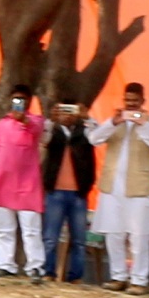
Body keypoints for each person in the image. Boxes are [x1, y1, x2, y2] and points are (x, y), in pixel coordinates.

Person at [89, 82, 149, 291]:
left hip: (139, 189)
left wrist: (143, 125)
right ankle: (118, 276)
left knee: (139, 237)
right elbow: (94, 139)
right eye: (128, 101)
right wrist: (113, 122)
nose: (130, 105)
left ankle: (138, 280)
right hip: (113, 188)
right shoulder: (115, 122)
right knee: (114, 235)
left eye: (135, 101)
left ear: (142, 102)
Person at [0, 91, 48, 273]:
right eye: (15, 100)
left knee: (31, 229)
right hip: (3, 183)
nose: (18, 104)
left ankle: (35, 266)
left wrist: (25, 121)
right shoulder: (2, 125)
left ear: (28, 102)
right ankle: (5, 265)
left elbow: (36, 130)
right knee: (3, 228)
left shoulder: (37, 121)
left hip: (28, 184)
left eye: (22, 100)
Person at [39, 93, 97, 281]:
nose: (68, 116)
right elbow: (43, 140)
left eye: (71, 111)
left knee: (79, 239)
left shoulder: (85, 131)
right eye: (64, 111)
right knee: (50, 237)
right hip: (55, 191)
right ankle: (49, 272)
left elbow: (98, 137)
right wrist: (51, 120)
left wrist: (87, 117)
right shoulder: (53, 130)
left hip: (79, 192)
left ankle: (75, 276)